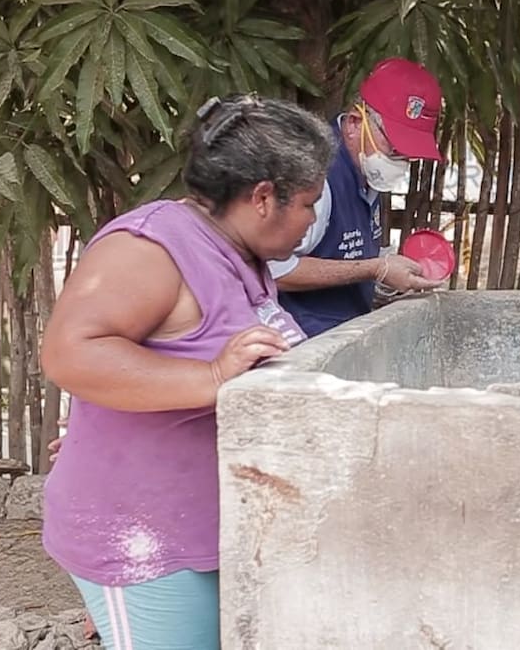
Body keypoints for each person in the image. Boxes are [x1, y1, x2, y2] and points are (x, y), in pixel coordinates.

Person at [39, 95, 335, 649]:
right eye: (309, 204)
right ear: (263, 198)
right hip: (141, 536)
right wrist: (213, 378)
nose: (314, 220)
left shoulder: (238, 254)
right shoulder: (151, 247)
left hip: (199, 528)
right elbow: (69, 353)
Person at [269, 57, 448, 337]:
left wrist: (386, 276)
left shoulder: (366, 168)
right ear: (355, 123)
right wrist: (375, 269)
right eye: (395, 149)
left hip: (344, 335)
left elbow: (348, 254)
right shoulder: (316, 174)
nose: (401, 161)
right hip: (299, 341)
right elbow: (275, 270)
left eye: (408, 155)